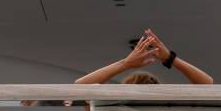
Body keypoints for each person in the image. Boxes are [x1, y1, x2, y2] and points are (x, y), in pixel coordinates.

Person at [75, 29, 213, 85]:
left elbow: (80, 87)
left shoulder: (109, 108)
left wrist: (125, 64)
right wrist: (171, 59)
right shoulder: (167, 107)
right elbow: (208, 85)